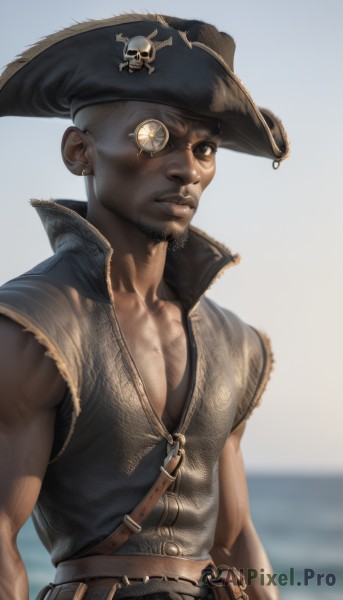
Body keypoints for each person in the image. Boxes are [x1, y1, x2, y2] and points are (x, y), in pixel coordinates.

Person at [0, 13, 289, 600]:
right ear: (80, 151)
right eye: (154, 137)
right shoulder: (31, 329)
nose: (186, 168)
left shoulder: (236, 345)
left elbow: (235, 541)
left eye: (205, 148)